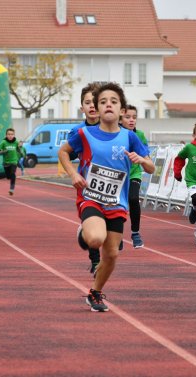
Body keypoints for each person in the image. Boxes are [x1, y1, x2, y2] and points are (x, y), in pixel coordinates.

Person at [58, 82, 155, 313]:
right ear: (97, 109)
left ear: (122, 110)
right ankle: (85, 231)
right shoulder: (84, 134)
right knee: (95, 240)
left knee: (111, 254)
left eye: (113, 101)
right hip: (90, 196)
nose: (107, 105)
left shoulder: (130, 137)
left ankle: (95, 292)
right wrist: (73, 174)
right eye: (102, 102)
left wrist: (142, 161)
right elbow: (63, 152)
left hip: (116, 202)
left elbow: (151, 167)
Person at [68, 82, 103, 274]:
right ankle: (95, 261)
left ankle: (87, 233)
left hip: (111, 188)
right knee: (94, 230)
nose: (91, 106)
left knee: (110, 237)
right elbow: (67, 153)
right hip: (87, 186)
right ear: (82, 107)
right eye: (87, 102)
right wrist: (74, 174)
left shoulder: (112, 128)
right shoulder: (78, 132)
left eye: (94, 102)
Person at [120, 104, 149, 249]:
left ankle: (135, 233)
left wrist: (142, 159)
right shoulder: (116, 134)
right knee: (118, 204)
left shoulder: (140, 135)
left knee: (133, 198)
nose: (131, 120)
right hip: (118, 175)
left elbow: (146, 155)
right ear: (120, 118)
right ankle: (117, 234)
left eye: (134, 117)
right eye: (127, 117)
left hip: (134, 173)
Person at [0, 128, 23, 196]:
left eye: (12, 134)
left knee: (13, 173)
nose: (10, 136)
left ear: (14, 135)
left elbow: (19, 150)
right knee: (8, 176)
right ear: (6, 135)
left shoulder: (16, 142)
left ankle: (12, 189)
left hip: (14, 161)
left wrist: (20, 150)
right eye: (9, 134)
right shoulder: (3, 142)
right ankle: (10, 179)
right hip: (6, 163)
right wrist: (3, 152)